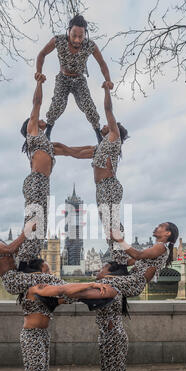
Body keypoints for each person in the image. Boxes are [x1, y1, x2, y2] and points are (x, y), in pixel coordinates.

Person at [28, 222, 179, 371]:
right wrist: (115, 248)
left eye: (161, 227)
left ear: (168, 234)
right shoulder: (151, 252)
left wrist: (119, 238)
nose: (156, 228)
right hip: (109, 330)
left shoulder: (161, 247)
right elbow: (130, 260)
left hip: (130, 291)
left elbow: (136, 253)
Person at [54, 83, 129, 264]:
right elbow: (75, 152)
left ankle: (122, 258)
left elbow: (108, 109)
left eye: (108, 125)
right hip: (102, 187)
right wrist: (54, 148)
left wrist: (105, 90)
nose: (103, 125)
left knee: (112, 224)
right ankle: (117, 256)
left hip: (109, 185)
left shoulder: (114, 138)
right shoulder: (99, 148)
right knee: (107, 225)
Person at [35, 14, 114, 143]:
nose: (77, 40)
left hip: (79, 80)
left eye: (80, 37)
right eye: (74, 36)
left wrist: (108, 79)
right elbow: (42, 54)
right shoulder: (58, 41)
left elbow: (102, 63)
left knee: (88, 106)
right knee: (58, 104)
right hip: (63, 78)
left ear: (85, 34)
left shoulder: (90, 45)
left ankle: (98, 135)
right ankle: (48, 132)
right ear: (68, 31)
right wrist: (39, 72)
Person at [18, 75, 56, 270]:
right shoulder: (32, 131)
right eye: (36, 119)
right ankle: (24, 261)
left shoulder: (47, 144)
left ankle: (31, 259)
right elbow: (37, 102)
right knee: (34, 221)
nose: (41, 120)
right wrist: (39, 83)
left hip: (43, 183)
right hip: (35, 181)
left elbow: (75, 151)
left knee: (41, 226)